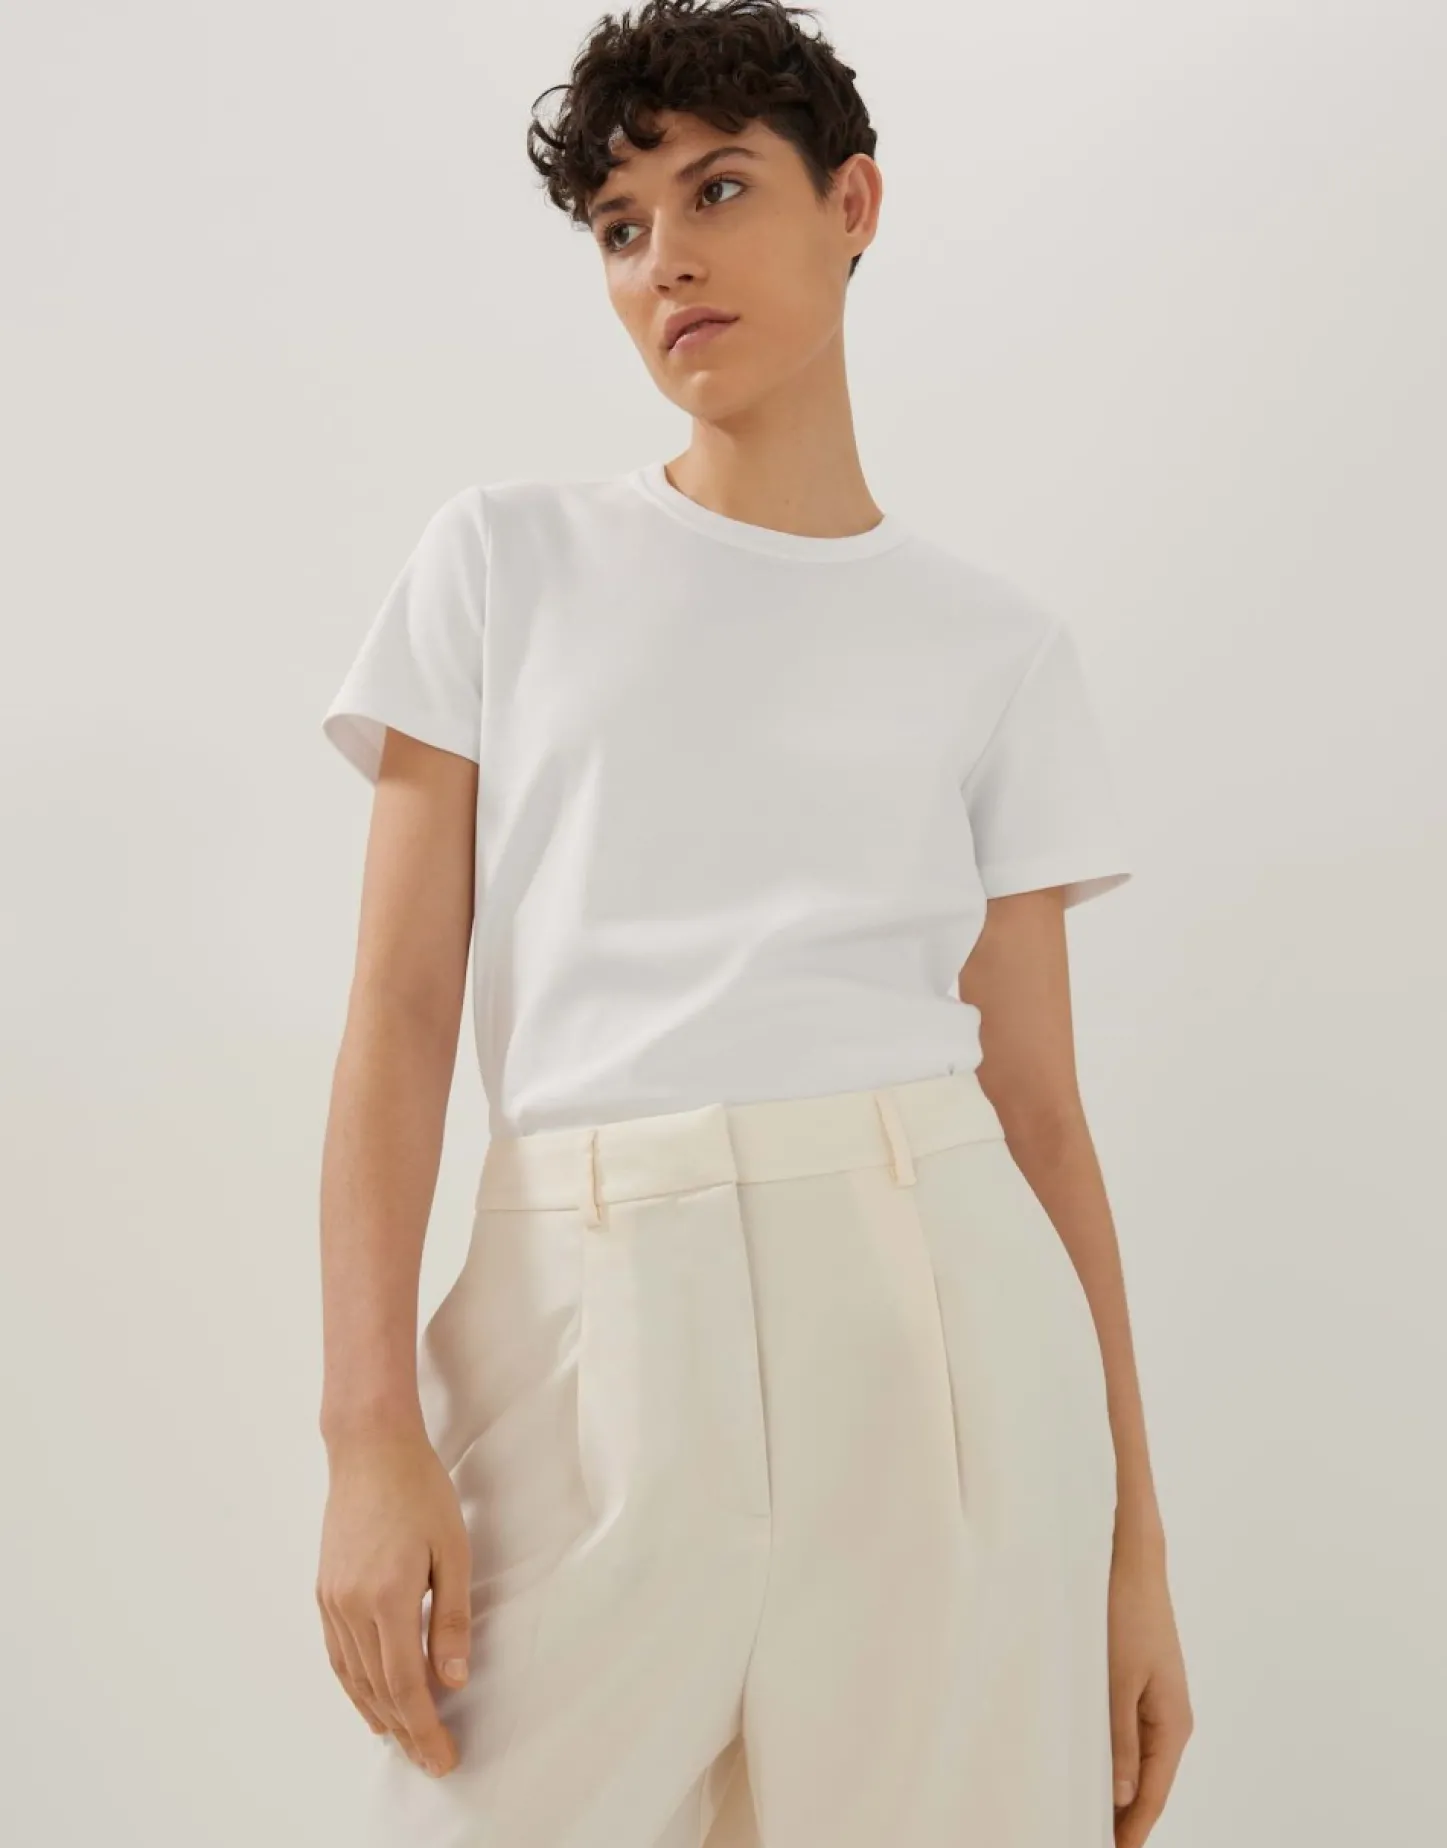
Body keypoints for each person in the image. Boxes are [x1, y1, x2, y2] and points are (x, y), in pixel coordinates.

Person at [314, 1, 1192, 1843]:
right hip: (585, 1318)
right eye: (618, 228)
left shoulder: (993, 646)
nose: (665, 262)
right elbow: (397, 1012)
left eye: (716, 191)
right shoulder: (503, 561)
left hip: (939, 1325)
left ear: (850, 203)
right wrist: (366, 1434)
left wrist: (1133, 1549)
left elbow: (1040, 1110)